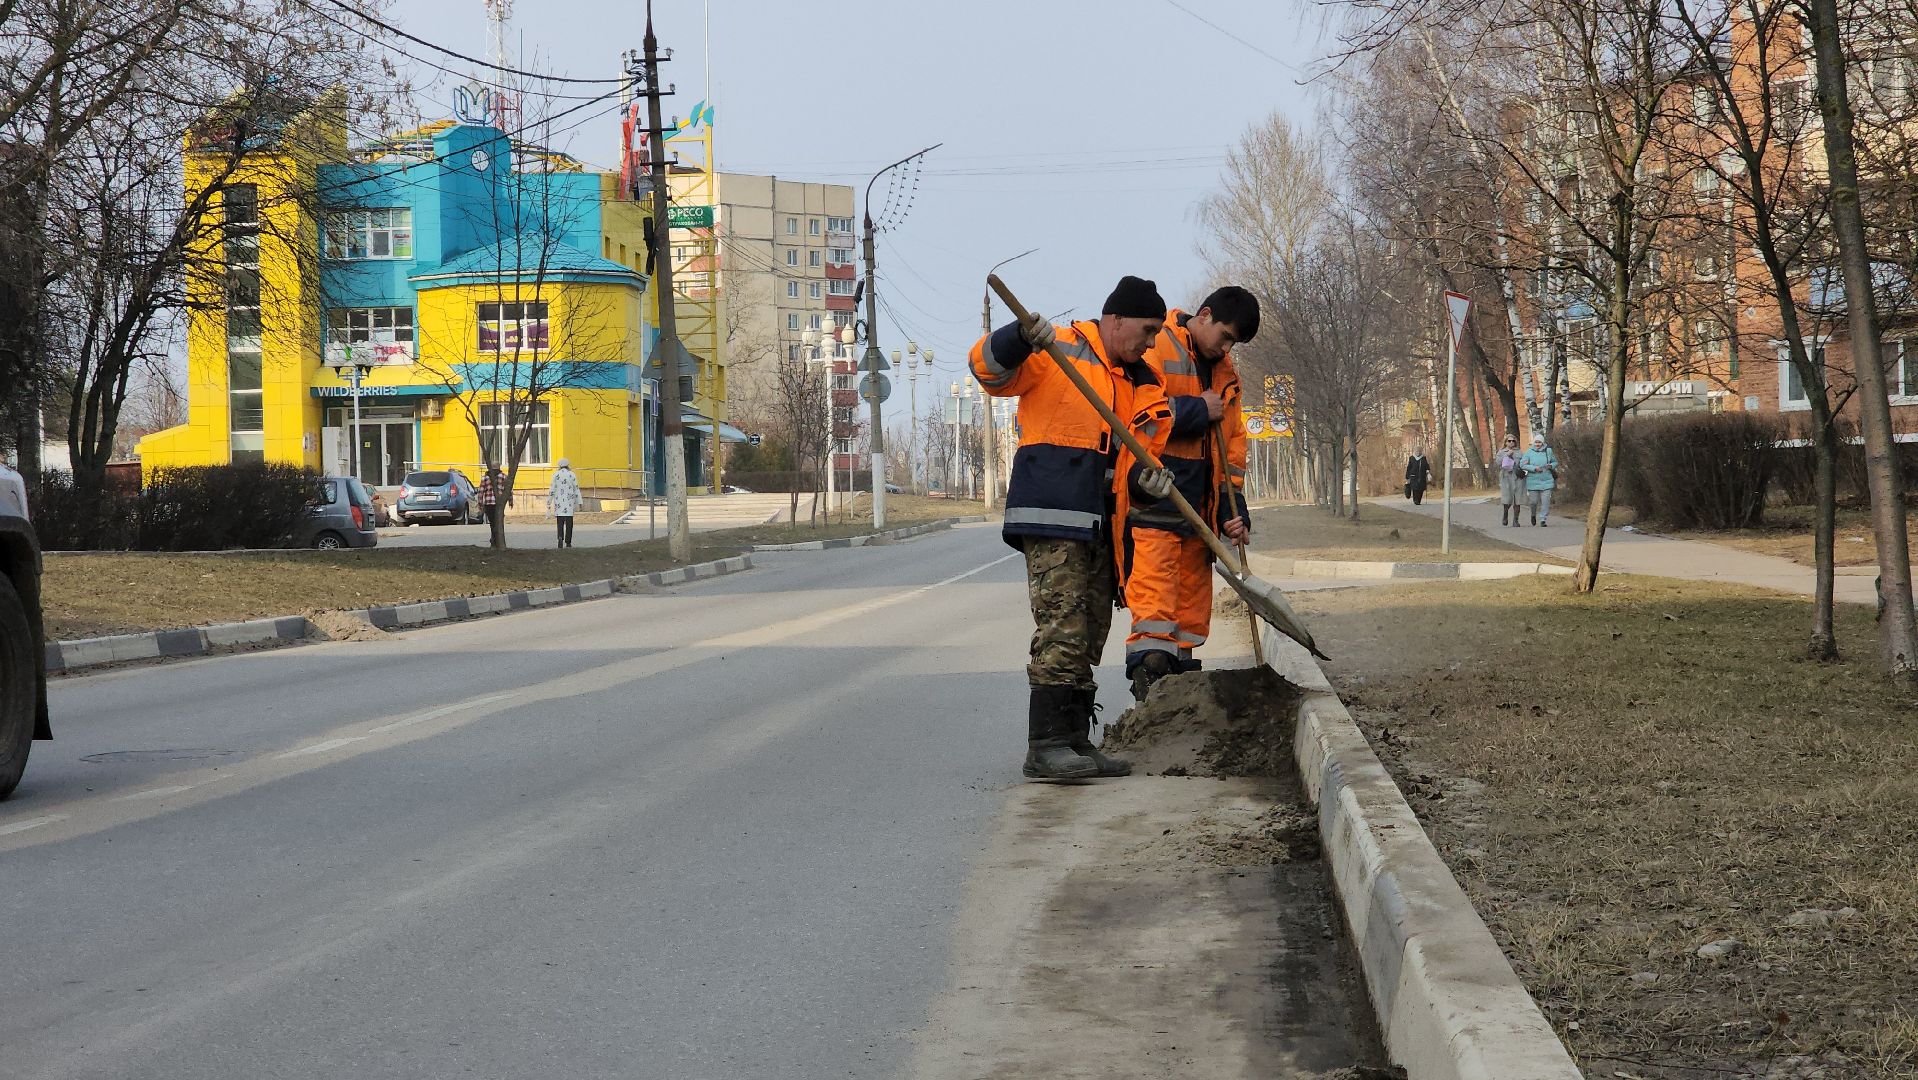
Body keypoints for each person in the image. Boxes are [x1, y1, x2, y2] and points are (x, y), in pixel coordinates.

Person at [971, 275, 1175, 781]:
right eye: (1147, 330)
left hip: (1105, 523)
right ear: (1116, 319)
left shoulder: (1145, 384)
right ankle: (1044, 745)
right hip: (1054, 513)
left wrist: (1150, 482)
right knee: (1062, 627)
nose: (1151, 341)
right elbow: (985, 369)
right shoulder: (1057, 348)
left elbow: (1140, 464)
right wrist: (1018, 337)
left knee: (1090, 632)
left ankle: (1075, 740)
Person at [1124, 286, 1258, 701]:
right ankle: (1151, 690)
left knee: (1187, 618)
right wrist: (1198, 410)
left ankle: (1179, 701)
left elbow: (1230, 452)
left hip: (1198, 517)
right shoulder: (1157, 347)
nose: (1226, 346)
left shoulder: (1226, 376)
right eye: (1226, 335)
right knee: (1154, 611)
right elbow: (1136, 416)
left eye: (1234, 342)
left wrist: (1234, 511)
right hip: (1153, 508)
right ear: (1204, 315)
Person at [1517, 434, 1559, 526]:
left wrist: (1551, 465)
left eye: (1539, 442)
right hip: (1533, 480)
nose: (1537, 444)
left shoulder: (1548, 451)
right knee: (1533, 502)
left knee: (1545, 502)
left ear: (1543, 442)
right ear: (1533, 442)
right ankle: (1533, 514)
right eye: (1536, 442)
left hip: (1547, 480)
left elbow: (1555, 462)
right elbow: (1522, 465)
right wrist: (1534, 468)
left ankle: (1543, 519)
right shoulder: (1529, 452)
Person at [549, 458, 581, 548]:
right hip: (569, 503)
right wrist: (579, 501)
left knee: (560, 522)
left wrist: (549, 501)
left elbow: (552, 489)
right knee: (569, 523)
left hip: (559, 503)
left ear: (559, 466)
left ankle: (560, 537)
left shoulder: (555, 475)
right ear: (568, 465)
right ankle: (568, 541)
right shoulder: (572, 475)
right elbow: (576, 488)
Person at [1495, 435, 1523, 527]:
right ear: (1506, 442)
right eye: (1509, 441)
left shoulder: (1519, 452)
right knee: (1507, 498)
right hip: (1506, 477)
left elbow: (1523, 463)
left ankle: (1516, 520)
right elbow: (1498, 463)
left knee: (1517, 499)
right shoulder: (1501, 452)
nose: (1511, 443)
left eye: (1513, 441)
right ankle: (1505, 514)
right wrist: (1507, 455)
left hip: (1517, 477)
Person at [478, 466, 505, 533]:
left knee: (492, 522)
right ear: (499, 467)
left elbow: (481, 492)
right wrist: (511, 500)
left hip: (489, 503)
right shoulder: (504, 477)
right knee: (498, 521)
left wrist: (480, 503)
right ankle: (498, 537)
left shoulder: (485, 477)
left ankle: (494, 537)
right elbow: (508, 490)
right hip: (499, 503)